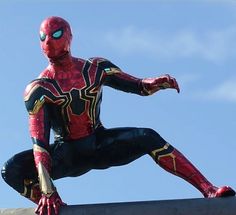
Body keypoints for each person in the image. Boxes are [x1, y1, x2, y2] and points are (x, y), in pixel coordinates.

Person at [1, 16, 235, 215]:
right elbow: (39, 145)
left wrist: (155, 83)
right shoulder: (40, 89)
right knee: (10, 169)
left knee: (148, 136)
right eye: (43, 37)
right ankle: (52, 205)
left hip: (99, 144)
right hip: (67, 154)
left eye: (56, 34)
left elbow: (137, 85)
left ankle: (207, 189)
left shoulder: (95, 69)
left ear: (69, 36)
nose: (49, 42)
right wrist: (47, 190)